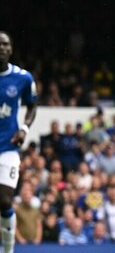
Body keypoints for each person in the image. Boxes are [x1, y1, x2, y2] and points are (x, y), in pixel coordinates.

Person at [0, 31, 37, 253]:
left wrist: (24, 128)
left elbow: (32, 105)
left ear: (11, 49)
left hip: (8, 147)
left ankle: (8, 249)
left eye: (5, 44)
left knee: (4, 201)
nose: (1, 47)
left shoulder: (23, 78)